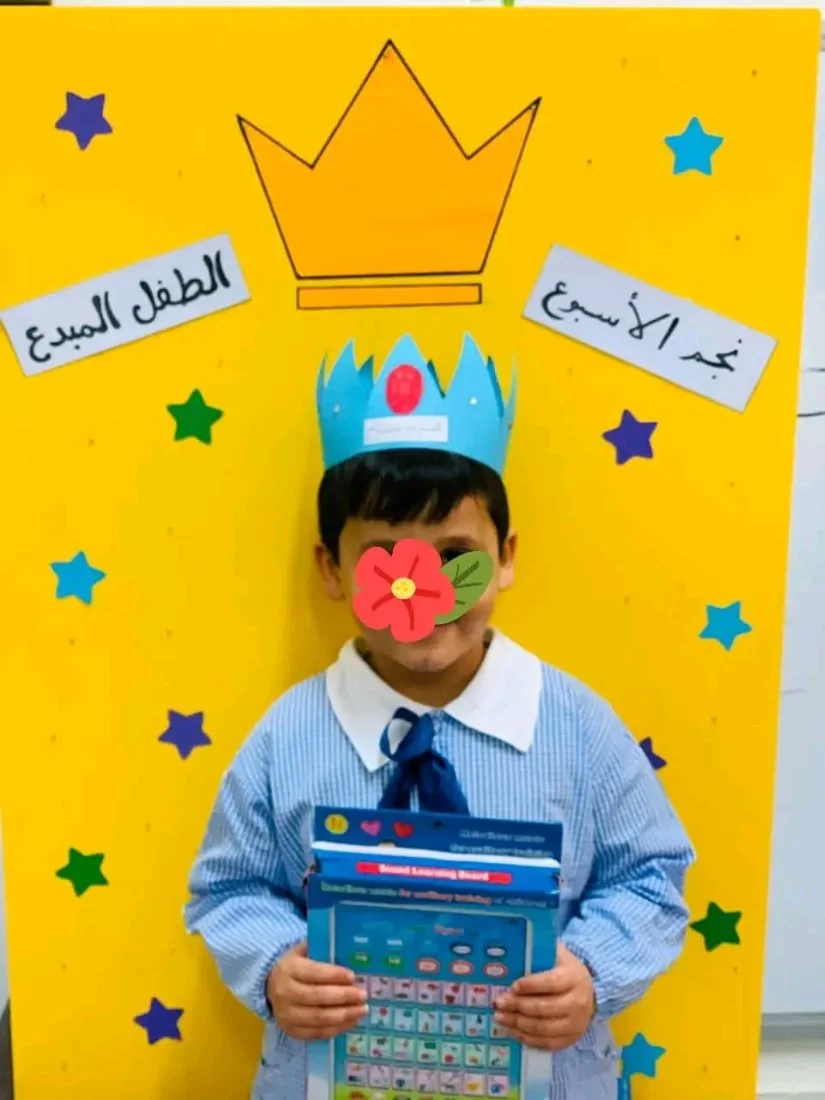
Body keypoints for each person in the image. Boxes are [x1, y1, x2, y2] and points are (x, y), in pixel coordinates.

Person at [185, 334, 695, 1100]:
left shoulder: (578, 729)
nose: (418, 594)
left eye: (456, 556)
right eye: (383, 559)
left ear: (506, 557)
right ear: (331, 567)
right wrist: (275, 966)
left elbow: (650, 876)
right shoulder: (284, 740)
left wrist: (592, 971)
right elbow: (228, 888)